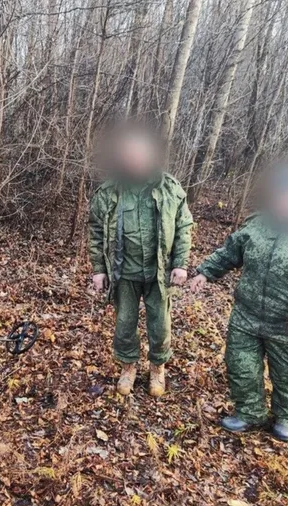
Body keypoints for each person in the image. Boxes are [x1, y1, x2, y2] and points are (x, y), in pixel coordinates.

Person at [189, 160, 288, 441]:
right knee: (241, 366)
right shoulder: (257, 225)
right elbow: (230, 253)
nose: (285, 202)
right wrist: (205, 272)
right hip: (247, 316)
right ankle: (249, 413)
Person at [88, 125, 193, 397]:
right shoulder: (109, 191)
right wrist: (99, 269)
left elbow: (184, 226)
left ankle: (158, 368)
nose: (134, 161)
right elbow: (96, 229)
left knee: (160, 325)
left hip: (159, 272)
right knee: (124, 324)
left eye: (139, 155)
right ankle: (128, 367)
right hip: (124, 272)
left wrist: (180, 263)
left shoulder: (169, 188)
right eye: (129, 156)